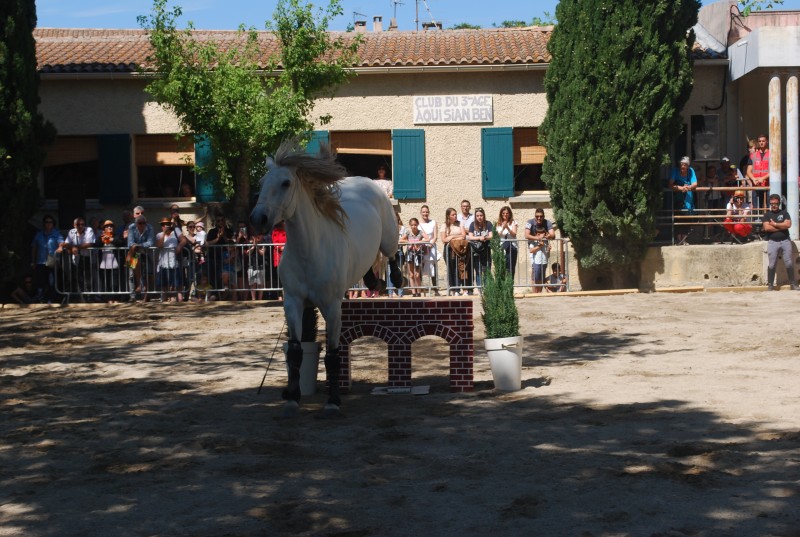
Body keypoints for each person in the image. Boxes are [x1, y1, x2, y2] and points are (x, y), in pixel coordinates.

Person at [761, 193, 799, 291]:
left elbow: (788, 225)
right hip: (772, 242)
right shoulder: (767, 215)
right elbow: (766, 228)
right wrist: (781, 226)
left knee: (789, 263)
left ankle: (793, 284)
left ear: (779, 203)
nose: (774, 205)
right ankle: (770, 285)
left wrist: (774, 224)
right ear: (770, 203)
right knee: (772, 264)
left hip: (785, 241)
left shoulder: (785, 213)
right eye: (772, 203)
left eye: (776, 203)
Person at [56, 217, 96, 298]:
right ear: (74, 225)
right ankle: (82, 297)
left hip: (87, 257)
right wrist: (71, 247)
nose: (81, 226)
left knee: (88, 279)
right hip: (76, 258)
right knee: (79, 278)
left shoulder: (89, 230)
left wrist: (75, 247)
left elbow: (90, 244)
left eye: (82, 224)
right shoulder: (71, 232)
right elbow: (66, 243)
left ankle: (90, 297)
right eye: (78, 224)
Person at [30, 214, 62, 303]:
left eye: (50, 222)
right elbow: (34, 247)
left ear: (53, 223)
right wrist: (33, 261)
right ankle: (41, 299)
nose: (48, 224)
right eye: (46, 222)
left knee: (52, 281)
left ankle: (51, 299)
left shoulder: (57, 233)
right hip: (40, 261)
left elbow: (61, 243)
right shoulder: (38, 234)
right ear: (44, 223)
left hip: (51, 261)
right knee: (41, 282)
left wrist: (60, 247)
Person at [668, 156, 698, 245]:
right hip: (678, 196)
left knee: (687, 216)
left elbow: (695, 183)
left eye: (684, 165)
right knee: (678, 215)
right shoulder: (675, 170)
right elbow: (670, 184)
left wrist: (688, 187)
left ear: (688, 166)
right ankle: (678, 239)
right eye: (681, 164)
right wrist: (680, 188)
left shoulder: (691, 171)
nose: (682, 167)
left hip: (688, 196)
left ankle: (684, 239)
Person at [525, 208, 555, 294]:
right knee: (535, 273)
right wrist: (538, 238)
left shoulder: (547, 222)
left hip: (543, 252)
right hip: (534, 249)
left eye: (541, 216)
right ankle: (534, 293)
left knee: (542, 274)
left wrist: (548, 236)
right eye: (537, 216)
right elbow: (526, 235)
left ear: (543, 216)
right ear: (535, 216)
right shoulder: (530, 222)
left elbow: (552, 234)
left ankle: (539, 293)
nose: (539, 218)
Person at [439, 207, 468, 295]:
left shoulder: (460, 223)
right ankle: (453, 289)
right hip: (449, 250)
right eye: (453, 214)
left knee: (459, 268)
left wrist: (451, 237)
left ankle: (459, 288)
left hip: (459, 250)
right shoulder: (444, 225)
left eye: (455, 214)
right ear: (448, 216)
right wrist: (454, 237)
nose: (455, 216)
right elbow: (444, 239)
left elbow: (463, 236)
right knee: (451, 269)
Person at [155, 217, 184, 302]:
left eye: (167, 224)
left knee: (178, 286)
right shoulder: (159, 235)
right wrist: (164, 233)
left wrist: (179, 246)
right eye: (163, 224)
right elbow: (160, 245)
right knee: (164, 287)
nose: (165, 226)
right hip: (163, 263)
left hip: (174, 262)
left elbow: (183, 240)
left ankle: (181, 304)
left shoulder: (176, 231)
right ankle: (164, 305)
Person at [127, 215, 154, 301]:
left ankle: (145, 296)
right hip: (134, 253)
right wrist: (136, 247)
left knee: (148, 274)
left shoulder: (150, 228)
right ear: (136, 224)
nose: (142, 225)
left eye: (143, 223)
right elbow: (130, 243)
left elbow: (150, 242)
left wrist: (139, 246)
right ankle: (132, 296)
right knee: (131, 274)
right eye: (140, 223)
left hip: (145, 253)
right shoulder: (131, 227)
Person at [403, 217, 430, 297]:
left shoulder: (420, 232)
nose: (414, 226)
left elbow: (427, 239)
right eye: (412, 225)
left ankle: (419, 291)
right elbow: (401, 240)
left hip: (418, 254)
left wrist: (419, 242)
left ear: (417, 224)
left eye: (415, 225)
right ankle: (413, 292)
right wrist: (409, 242)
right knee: (411, 274)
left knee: (417, 275)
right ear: (410, 225)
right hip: (410, 254)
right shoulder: (408, 232)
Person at [467, 207, 493, 289]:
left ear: (484, 215)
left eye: (481, 215)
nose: (479, 217)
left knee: (486, 270)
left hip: (486, 250)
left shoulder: (488, 224)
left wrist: (485, 238)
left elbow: (491, 235)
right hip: (476, 250)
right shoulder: (472, 224)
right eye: (477, 215)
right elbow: (470, 237)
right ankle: (480, 288)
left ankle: (486, 287)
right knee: (478, 271)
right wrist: (479, 238)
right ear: (475, 216)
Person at [98, 219, 123, 301]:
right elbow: (95, 244)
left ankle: (115, 298)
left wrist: (112, 239)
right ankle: (107, 298)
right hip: (104, 264)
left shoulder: (117, 236)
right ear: (104, 228)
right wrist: (102, 241)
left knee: (115, 283)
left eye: (111, 226)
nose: (110, 227)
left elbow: (121, 243)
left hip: (115, 263)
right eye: (107, 226)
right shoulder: (101, 236)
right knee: (106, 283)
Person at [418, 205, 440, 295]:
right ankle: (420, 290)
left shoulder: (433, 222)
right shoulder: (418, 224)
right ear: (421, 213)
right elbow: (418, 237)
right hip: (422, 248)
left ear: (429, 212)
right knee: (420, 269)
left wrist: (431, 244)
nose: (425, 213)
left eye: (426, 212)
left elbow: (435, 236)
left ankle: (435, 289)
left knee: (433, 268)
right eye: (423, 212)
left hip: (431, 247)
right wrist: (423, 245)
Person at [746, 134, 770, 210]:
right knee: (756, 208)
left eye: (763, 141)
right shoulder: (753, 155)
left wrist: (763, 178)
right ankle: (757, 221)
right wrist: (753, 179)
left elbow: (775, 171)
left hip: (768, 185)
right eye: (759, 141)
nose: (761, 143)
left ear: (767, 142)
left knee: (769, 206)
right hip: (756, 185)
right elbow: (748, 171)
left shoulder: (772, 154)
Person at [495, 206, 518, 280]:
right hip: (501, 247)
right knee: (502, 266)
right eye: (503, 213)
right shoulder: (498, 223)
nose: (505, 215)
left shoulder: (513, 222)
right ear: (501, 214)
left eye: (507, 213)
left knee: (511, 267)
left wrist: (507, 227)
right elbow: (497, 235)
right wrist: (503, 228)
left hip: (512, 247)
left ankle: (510, 284)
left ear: (510, 214)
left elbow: (514, 234)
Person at [388, 213, 406, 298]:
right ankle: (390, 293)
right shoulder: (388, 228)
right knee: (389, 272)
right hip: (391, 252)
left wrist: (397, 241)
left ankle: (400, 293)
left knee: (400, 271)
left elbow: (405, 240)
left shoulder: (402, 228)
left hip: (399, 251)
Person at [246, 231, 267, 301]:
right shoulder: (250, 243)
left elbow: (262, 253)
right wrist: (253, 246)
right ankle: (253, 299)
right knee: (252, 284)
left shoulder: (263, 244)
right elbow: (248, 253)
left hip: (260, 266)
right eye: (256, 235)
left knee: (260, 284)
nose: (257, 237)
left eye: (259, 235)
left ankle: (260, 299)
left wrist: (257, 247)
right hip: (251, 266)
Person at [271, 221, 286, 300]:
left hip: (288, 257)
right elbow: (275, 243)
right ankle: (280, 296)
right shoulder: (275, 231)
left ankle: (286, 295)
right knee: (279, 277)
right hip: (279, 257)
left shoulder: (288, 230)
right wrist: (281, 247)